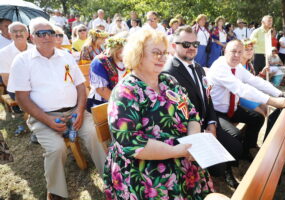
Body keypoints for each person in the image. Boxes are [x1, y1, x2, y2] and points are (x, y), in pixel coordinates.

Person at [104, 28, 214, 200]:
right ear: (138, 55)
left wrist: (193, 140)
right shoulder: (125, 92)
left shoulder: (168, 81)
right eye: (156, 53)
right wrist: (177, 151)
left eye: (164, 53)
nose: (163, 58)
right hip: (145, 171)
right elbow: (132, 144)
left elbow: (192, 113)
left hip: (183, 152)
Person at [7, 17, 106, 199]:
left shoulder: (65, 55)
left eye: (50, 32)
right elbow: (21, 98)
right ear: (31, 37)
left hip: (74, 111)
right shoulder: (22, 60)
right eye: (40, 33)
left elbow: (80, 86)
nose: (46, 37)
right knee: (56, 148)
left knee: (95, 134)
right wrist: (48, 120)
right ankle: (56, 192)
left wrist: (79, 110)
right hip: (42, 116)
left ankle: (110, 178)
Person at [164, 25, 243, 188]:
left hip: (208, 123)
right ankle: (219, 172)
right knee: (219, 167)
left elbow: (208, 100)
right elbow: (177, 114)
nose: (192, 48)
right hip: (190, 131)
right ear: (174, 46)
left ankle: (225, 169)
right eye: (186, 44)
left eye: (195, 44)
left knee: (237, 147)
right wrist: (201, 131)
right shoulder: (168, 73)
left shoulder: (198, 68)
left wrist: (212, 124)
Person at [207, 40, 285, 162]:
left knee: (257, 118)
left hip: (232, 108)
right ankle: (228, 168)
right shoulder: (220, 67)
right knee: (234, 135)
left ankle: (246, 151)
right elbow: (242, 89)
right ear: (225, 51)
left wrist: (279, 93)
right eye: (233, 51)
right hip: (216, 112)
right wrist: (272, 101)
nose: (236, 55)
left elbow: (254, 81)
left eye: (240, 52)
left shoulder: (237, 66)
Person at [86, 33, 127, 112]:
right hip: (102, 103)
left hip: (123, 101)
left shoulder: (128, 60)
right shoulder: (99, 62)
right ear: (117, 49)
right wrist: (122, 105)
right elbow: (102, 90)